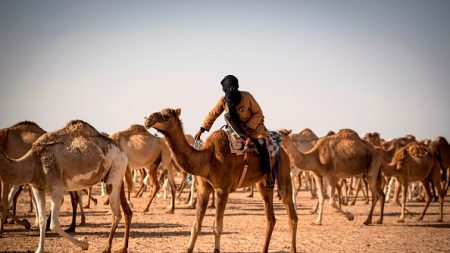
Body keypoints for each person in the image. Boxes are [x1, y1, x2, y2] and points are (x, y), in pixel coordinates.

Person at [194, 74, 274, 187]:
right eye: (229, 88)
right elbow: (213, 114)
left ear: (237, 87)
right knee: (227, 116)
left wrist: (248, 126)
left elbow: (259, 113)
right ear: (225, 89)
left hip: (254, 128)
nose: (231, 89)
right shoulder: (223, 100)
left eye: (233, 87)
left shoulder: (247, 96)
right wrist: (202, 129)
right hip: (236, 129)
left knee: (262, 144)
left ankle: (268, 173)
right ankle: (244, 139)